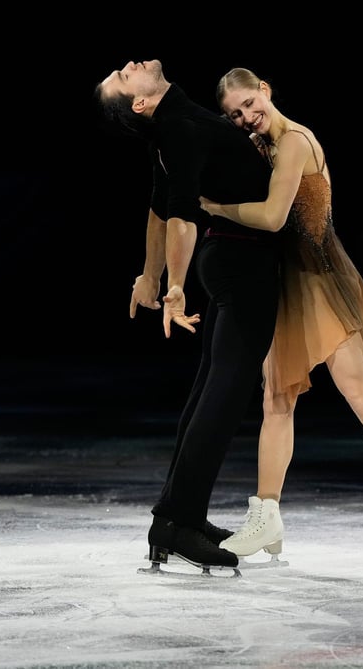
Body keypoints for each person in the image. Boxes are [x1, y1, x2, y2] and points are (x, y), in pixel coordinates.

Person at [199, 67, 363, 576]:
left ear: (265, 89)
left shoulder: (294, 142)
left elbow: (271, 217)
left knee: (358, 392)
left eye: (249, 103)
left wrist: (213, 207)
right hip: (288, 286)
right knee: (276, 400)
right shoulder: (262, 147)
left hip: (322, 280)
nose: (246, 117)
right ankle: (266, 513)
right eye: (235, 114)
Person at [94, 60, 282, 573]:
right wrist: (173, 286)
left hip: (231, 262)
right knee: (221, 399)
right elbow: (177, 216)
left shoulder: (174, 126)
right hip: (243, 264)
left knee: (208, 392)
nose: (128, 65)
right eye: (122, 75)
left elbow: (158, 209)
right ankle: (179, 521)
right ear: (139, 102)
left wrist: (150, 277)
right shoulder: (176, 126)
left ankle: (176, 522)